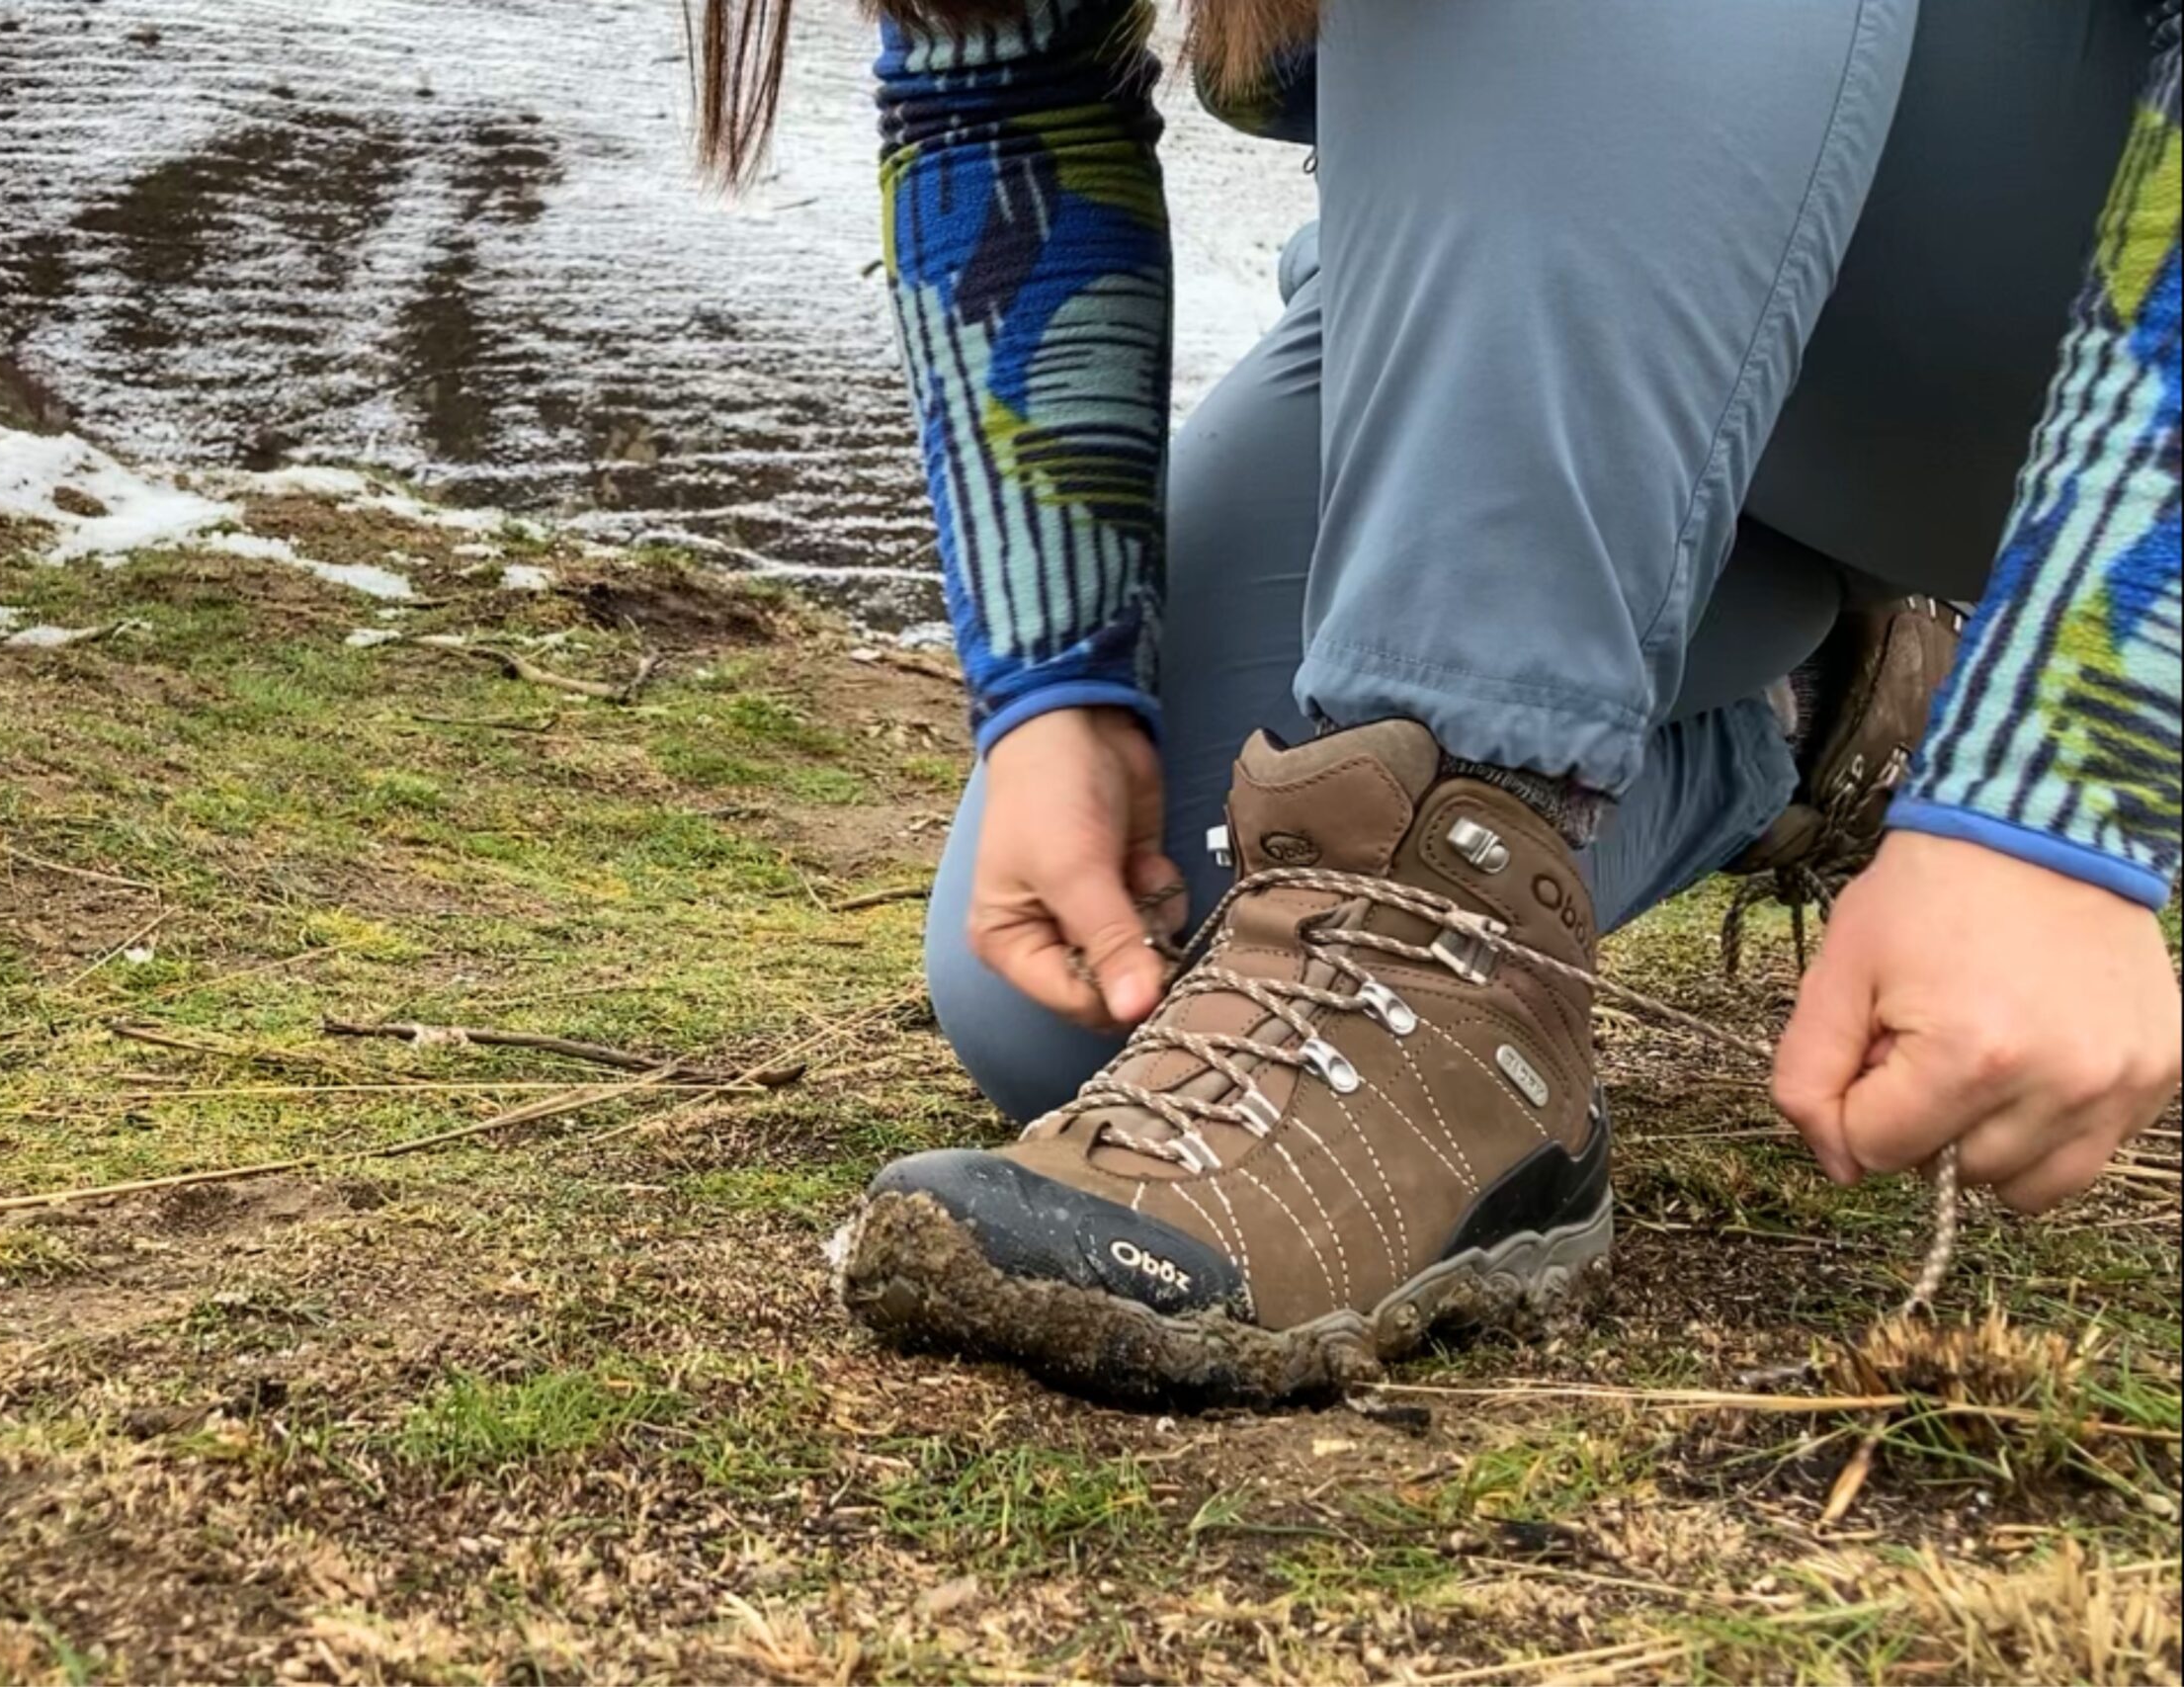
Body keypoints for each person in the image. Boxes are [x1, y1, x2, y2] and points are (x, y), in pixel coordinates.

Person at [695, 0, 2182, 1403]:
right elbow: (996, 76)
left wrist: (2056, 794)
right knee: (1076, 990)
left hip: (2039, 324)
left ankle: (1434, 944)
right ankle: (1817, 710)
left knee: (1302, 1005)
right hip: (1642, 361)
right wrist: (1059, 691)